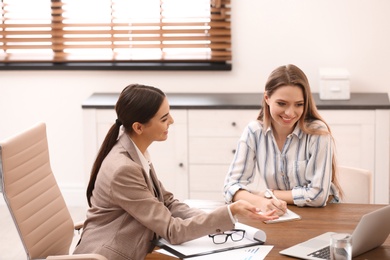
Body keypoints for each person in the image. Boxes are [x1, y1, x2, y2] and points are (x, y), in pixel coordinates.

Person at [74, 84, 278, 260]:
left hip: (138, 240)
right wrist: (229, 212)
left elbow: (167, 202)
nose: (171, 121)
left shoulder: (133, 150)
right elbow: (172, 231)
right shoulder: (123, 169)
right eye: (164, 118)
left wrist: (219, 221)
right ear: (138, 127)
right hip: (112, 254)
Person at [224, 64, 343, 215]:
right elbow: (230, 187)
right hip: (279, 214)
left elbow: (318, 196)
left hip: (322, 215)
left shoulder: (318, 133)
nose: (290, 113)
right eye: (282, 103)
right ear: (267, 98)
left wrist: (268, 194)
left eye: (299, 104)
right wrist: (261, 202)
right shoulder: (254, 132)